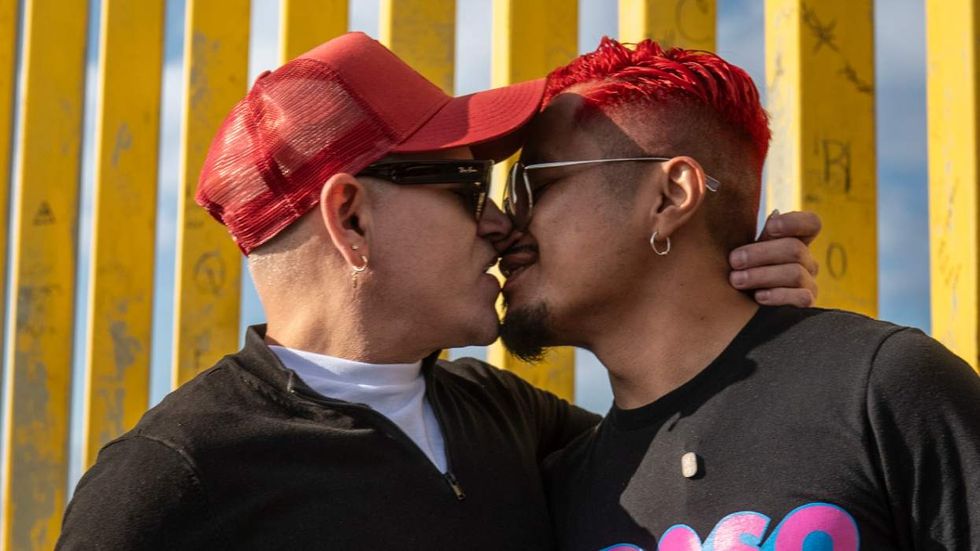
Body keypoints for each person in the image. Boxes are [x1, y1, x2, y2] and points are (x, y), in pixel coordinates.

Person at [57, 33, 821, 549]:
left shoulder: (511, 417)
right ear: (351, 218)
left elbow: (696, 447)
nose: (500, 222)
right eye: (467, 186)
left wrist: (734, 299)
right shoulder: (171, 478)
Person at [496, 37, 980, 550]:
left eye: (534, 186)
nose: (506, 223)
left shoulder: (884, 386)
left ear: (670, 196)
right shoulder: (558, 486)